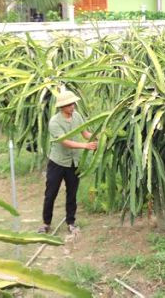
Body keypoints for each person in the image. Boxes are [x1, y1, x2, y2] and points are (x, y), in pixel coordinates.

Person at [38, 90, 97, 234]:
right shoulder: (54, 122)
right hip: (57, 163)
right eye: (69, 104)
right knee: (51, 193)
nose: (73, 106)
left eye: (73, 103)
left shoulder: (77, 116)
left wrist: (98, 138)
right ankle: (46, 223)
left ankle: (71, 222)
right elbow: (65, 142)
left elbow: (84, 133)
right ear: (62, 107)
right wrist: (86, 146)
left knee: (72, 193)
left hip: (73, 163)